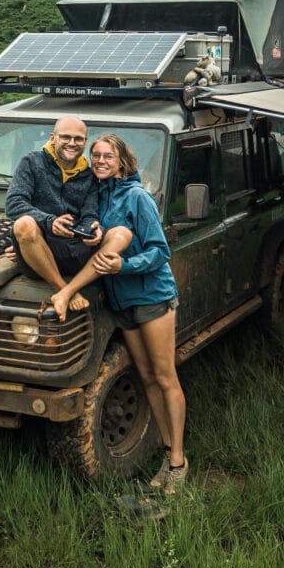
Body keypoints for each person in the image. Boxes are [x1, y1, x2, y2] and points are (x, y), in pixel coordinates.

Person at [50, 133, 187, 496]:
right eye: (95, 155)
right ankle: (165, 451)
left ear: (122, 161)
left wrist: (124, 265)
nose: (100, 160)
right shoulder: (97, 195)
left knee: (164, 376)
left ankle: (178, 462)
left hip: (151, 295)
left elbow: (160, 251)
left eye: (107, 156)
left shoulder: (137, 196)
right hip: (121, 302)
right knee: (146, 377)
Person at [5, 117, 132, 313]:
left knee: (122, 234)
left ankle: (66, 293)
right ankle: (63, 289)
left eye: (78, 139)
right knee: (24, 224)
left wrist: (93, 228)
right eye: (66, 137)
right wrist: (49, 221)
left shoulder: (89, 175)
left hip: (74, 249)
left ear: (85, 142)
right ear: (53, 138)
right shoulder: (31, 162)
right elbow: (14, 204)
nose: (72, 143)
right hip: (41, 250)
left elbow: (90, 213)